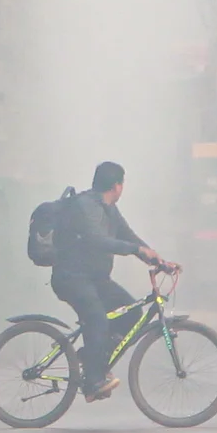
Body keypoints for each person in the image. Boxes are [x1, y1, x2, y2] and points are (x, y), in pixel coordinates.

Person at [51, 161, 175, 402]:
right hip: (72, 279)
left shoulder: (109, 209)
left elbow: (127, 235)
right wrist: (135, 249)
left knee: (132, 315)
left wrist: (158, 260)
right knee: (97, 318)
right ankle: (93, 381)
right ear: (117, 185)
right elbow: (98, 241)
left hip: (96, 279)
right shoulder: (85, 206)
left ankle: (92, 358)